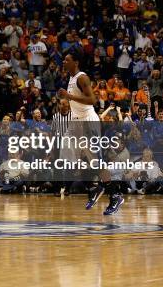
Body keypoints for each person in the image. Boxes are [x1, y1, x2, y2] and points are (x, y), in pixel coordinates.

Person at [58, 52, 123, 215]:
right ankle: (97, 187)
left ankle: (115, 195)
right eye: (64, 60)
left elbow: (92, 100)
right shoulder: (72, 78)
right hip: (78, 122)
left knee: (97, 160)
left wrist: (68, 96)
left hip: (88, 121)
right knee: (80, 158)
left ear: (76, 62)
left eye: (67, 59)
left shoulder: (82, 78)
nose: (64, 62)